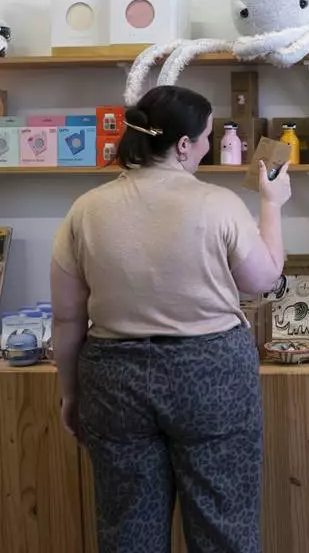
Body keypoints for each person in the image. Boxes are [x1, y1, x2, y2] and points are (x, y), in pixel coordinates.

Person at [50, 85, 293, 553]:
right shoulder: (217, 204)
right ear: (183, 145)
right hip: (211, 376)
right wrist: (272, 204)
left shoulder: (86, 209)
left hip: (113, 379)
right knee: (224, 525)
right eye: (205, 137)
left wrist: (69, 393)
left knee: (127, 531)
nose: (207, 146)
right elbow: (262, 279)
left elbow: (65, 319)